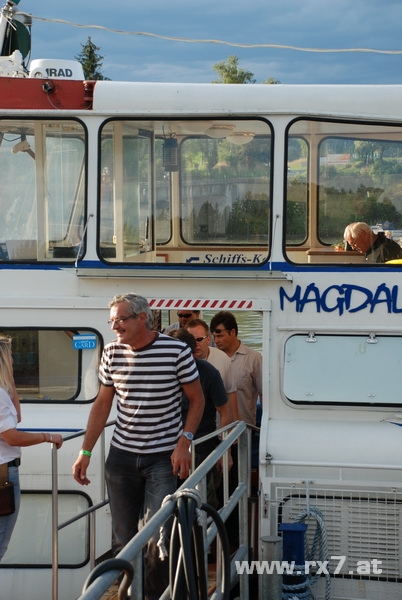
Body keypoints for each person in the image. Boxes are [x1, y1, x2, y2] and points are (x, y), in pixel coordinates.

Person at [72, 293, 205, 600]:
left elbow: (197, 399)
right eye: (112, 321)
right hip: (121, 457)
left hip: (162, 458)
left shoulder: (175, 350)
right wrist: (85, 452)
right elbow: (102, 404)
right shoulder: (111, 352)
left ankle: (152, 596)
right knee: (122, 538)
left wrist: (184, 442)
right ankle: (131, 594)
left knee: (159, 537)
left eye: (120, 320)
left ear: (142, 317)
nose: (114, 326)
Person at [0, 335, 63, 561]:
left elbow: (16, 416)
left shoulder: (2, 392)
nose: (14, 360)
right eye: (10, 356)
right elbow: (11, 437)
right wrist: (47, 437)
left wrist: (8, 381)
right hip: (2, 474)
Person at [168, 328, 233, 508]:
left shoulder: (209, 373)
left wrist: (224, 450)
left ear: (192, 352)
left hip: (201, 446)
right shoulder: (162, 373)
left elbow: (226, 412)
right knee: (168, 500)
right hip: (167, 446)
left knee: (203, 500)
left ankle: (206, 525)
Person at [210, 311, 262, 427]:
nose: (216, 340)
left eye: (220, 336)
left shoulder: (254, 358)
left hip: (244, 428)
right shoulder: (210, 358)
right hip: (215, 429)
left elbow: (263, 393)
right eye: (214, 336)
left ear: (233, 332)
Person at [186, 318, 239, 421]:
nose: (195, 344)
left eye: (199, 339)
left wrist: (235, 424)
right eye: (191, 340)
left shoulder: (223, 358)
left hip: (219, 423)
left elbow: (231, 392)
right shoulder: (180, 362)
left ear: (208, 339)